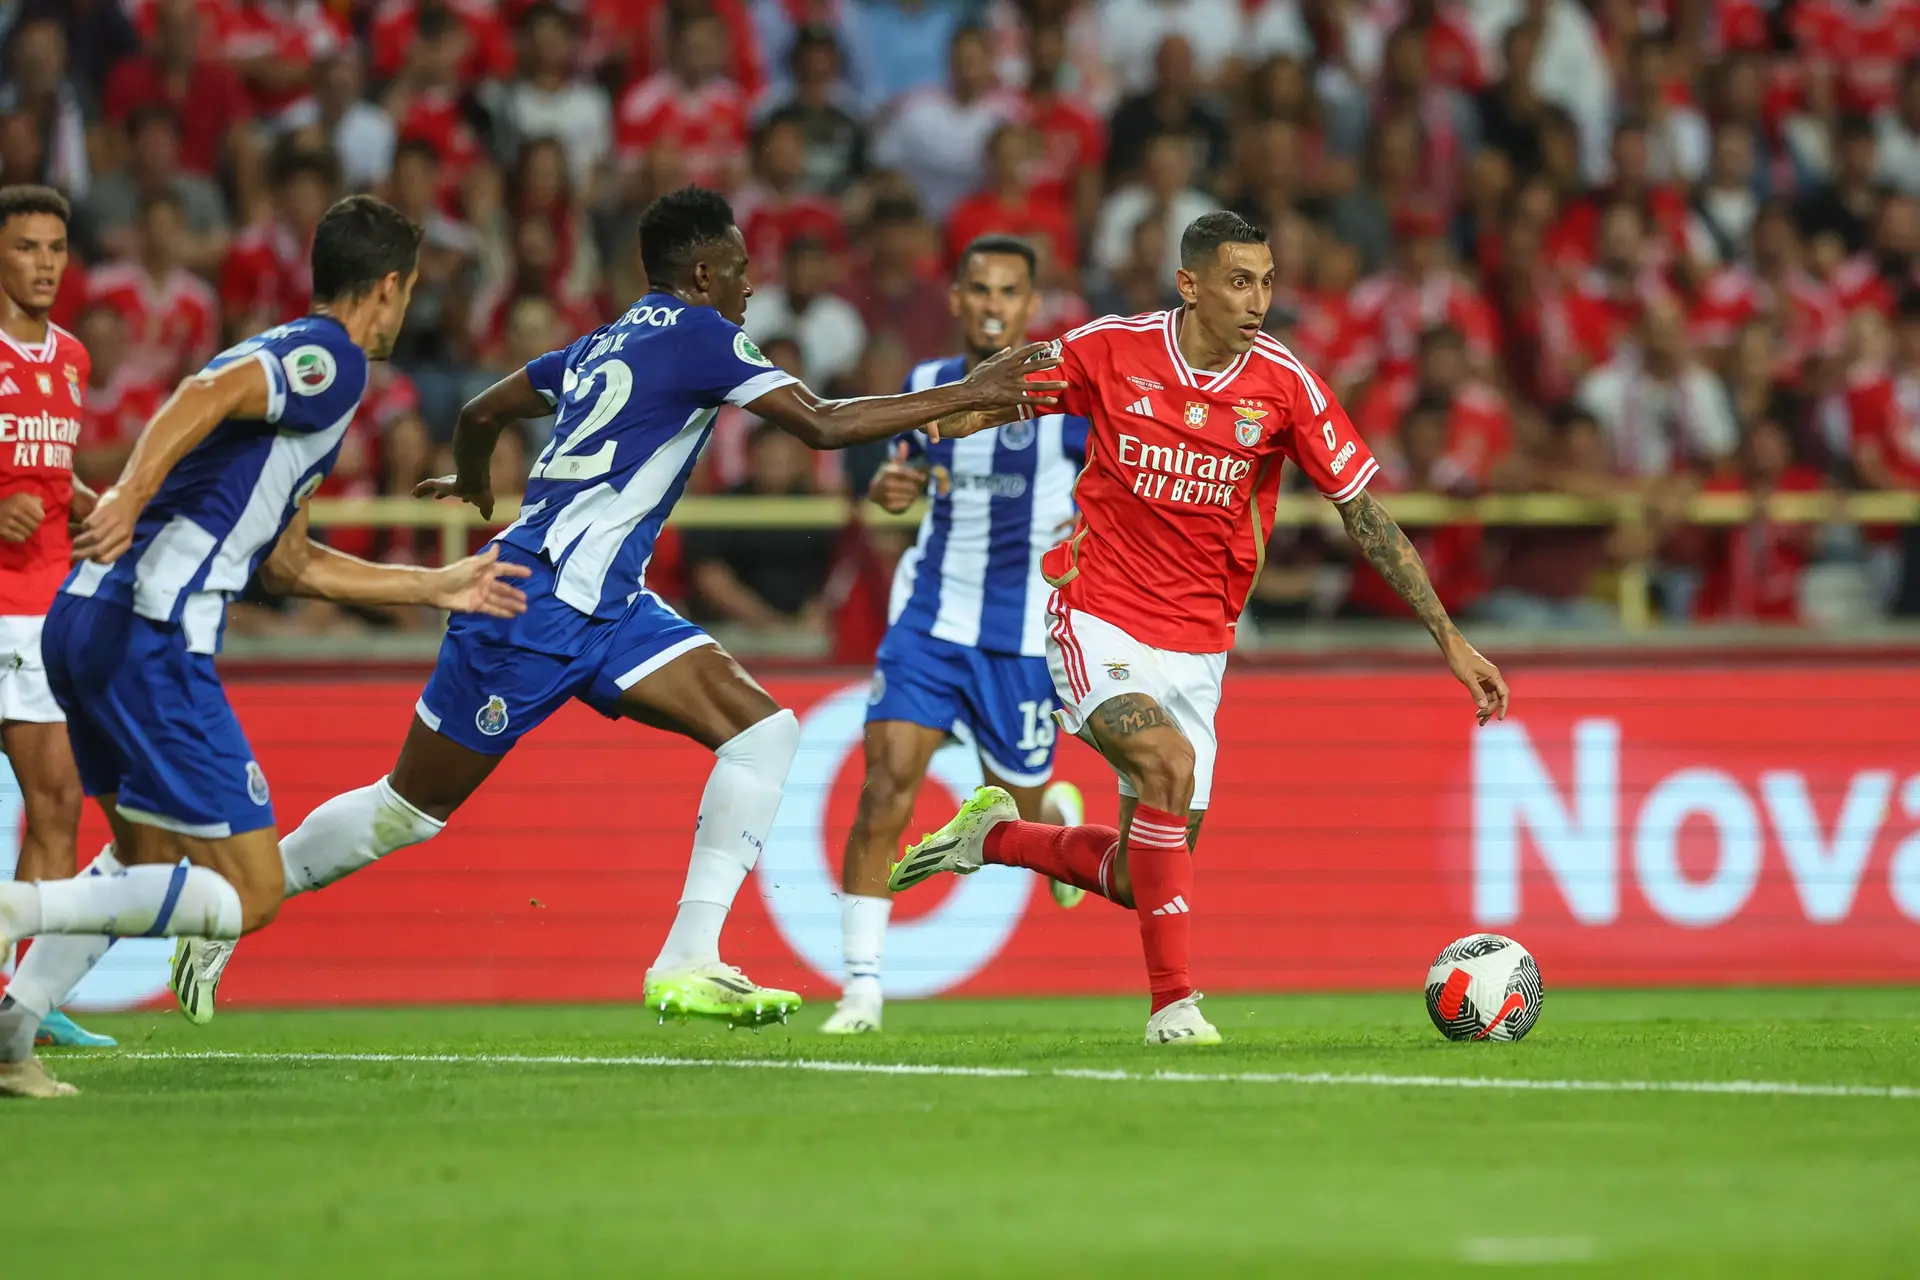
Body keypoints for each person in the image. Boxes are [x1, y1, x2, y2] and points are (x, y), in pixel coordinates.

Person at [164, 187, 1064, 1032]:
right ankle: (229, 904)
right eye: (742, 267)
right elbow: (822, 424)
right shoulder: (707, 334)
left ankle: (688, 957)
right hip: (530, 604)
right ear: (706, 274)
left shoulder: (602, 341)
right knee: (409, 810)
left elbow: (483, 409)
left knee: (761, 731)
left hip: (610, 607)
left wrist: (477, 481)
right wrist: (974, 391)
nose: (753, 284)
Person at [888, 211, 1509, 1047]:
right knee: (1166, 764)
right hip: (1095, 615)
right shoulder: (1117, 347)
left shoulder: (1286, 384)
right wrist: (953, 411)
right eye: (1240, 282)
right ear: (1192, 285)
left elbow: (1365, 516)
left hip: (1200, 645)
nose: (1259, 300)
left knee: (1147, 878)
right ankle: (1173, 1008)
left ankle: (995, 837)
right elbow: (1025, 373)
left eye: (1267, 281)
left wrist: (1449, 639)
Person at [0, 194, 535, 1099]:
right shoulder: (330, 356)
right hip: (152, 635)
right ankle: (18, 908)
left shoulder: (292, 361)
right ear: (392, 287)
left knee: (141, 860)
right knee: (251, 894)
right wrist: (129, 492)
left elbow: (285, 563)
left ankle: (10, 1037)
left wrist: (430, 586)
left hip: (87, 619)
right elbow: (203, 394)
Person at [821, 235, 1090, 1036]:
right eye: (980, 290)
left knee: (1023, 811)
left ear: (1031, 305)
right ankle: (861, 992)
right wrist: (892, 487)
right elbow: (903, 477)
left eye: (1010, 291)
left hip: (1021, 642)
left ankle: (1054, 811)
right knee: (883, 791)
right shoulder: (926, 385)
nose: (994, 304)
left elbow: (1112, 479)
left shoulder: (1068, 401)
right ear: (958, 300)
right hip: (931, 623)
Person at [0, 185, 114, 1050]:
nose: (44, 264)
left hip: (39, 608)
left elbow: (48, 471)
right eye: (26, 247)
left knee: (56, 802)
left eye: (54, 248)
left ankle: (23, 998)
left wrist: (94, 505)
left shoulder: (72, 357)